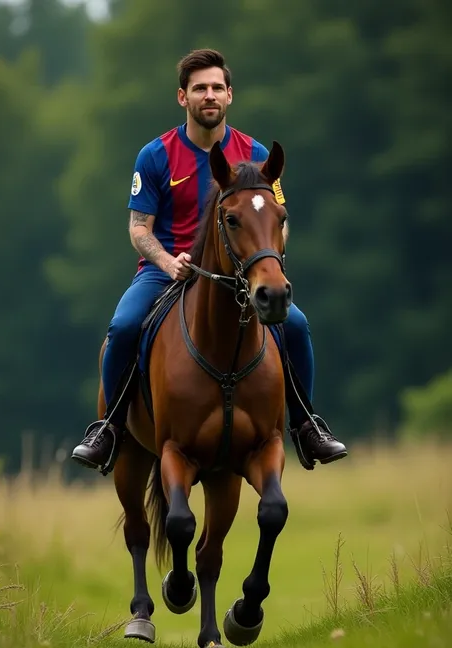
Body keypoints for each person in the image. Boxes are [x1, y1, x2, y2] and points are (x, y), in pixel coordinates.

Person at [71, 48, 347, 473]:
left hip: (237, 277)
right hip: (166, 274)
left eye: (217, 87)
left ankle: (306, 425)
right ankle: (107, 428)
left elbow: (278, 220)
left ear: (230, 95)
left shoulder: (255, 154)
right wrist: (166, 262)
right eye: (200, 88)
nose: (209, 95)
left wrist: (265, 258)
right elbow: (138, 228)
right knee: (124, 326)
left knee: (295, 324)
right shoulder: (155, 155)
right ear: (183, 97)